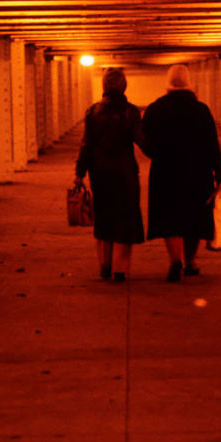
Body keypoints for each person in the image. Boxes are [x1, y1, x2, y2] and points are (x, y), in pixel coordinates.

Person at [141, 64, 221, 282]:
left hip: (165, 171)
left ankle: (175, 261)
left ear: (168, 82)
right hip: (197, 172)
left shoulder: (154, 109)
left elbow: (147, 145)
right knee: (194, 217)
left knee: (170, 217)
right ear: (189, 82)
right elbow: (212, 145)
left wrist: (159, 152)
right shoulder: (201, 110)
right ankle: (190, 262)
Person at [74, 67, 145, 282]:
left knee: (104, 218)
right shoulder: (131, 112)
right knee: (125, 218)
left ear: (104, 86)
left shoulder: (93, 112)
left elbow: (86, 145)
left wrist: (79, 173)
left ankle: (104, 266)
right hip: (125, 173)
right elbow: (143, 141)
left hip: (100, 173)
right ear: (124, 86)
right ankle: (120, 269)